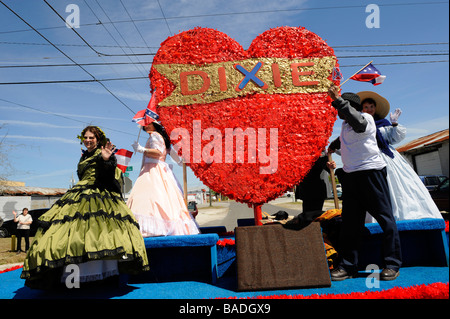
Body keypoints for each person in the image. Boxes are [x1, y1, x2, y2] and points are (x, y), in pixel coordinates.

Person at [21, 126, 149, 289]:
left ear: (98, 139)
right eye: (86, 138)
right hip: (78, 194)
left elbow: (108, 176)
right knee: (66, 234)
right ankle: (70, 279)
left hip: (97, 195)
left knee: (97, 235)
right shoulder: (83, 157)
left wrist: (106, 160)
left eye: (91, 137)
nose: (88, 140)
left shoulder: (102, 153)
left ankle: (100, 278)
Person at [326, 85, 402, 281]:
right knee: (350, 224)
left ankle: (392, 264)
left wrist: (337, 99)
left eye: (340, 108)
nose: (337, 112)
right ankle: (348, 266)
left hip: (371, 174)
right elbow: (339, 142)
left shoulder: (366, 119)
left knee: (385, 219)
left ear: (349, 107)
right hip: (351, 178)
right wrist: (330, 148)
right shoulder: (344, 126)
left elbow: (358, 123)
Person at [358, 91, 443, 222]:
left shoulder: (382, 123)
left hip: (387, 157)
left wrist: (394, 124)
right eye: (366, 107)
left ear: (375, 108)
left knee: (398, 185)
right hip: (368, 158)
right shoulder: (358, 125)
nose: (369, 110)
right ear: (361, 109)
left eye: (371, 107)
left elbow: (394, 138)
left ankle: (404, 216)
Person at [127, 119, 199, 237]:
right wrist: (181, 160)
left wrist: (142, 149)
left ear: (154, 124)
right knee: (165, 199)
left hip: (153, 170)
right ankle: (165, 228)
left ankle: (152, 230)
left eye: (148, 123)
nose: (146, 126)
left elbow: (158, 152)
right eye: (145, 125)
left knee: (149, 199)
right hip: (158, 169)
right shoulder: (161, 137)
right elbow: (172, 154)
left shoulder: (155, 135)